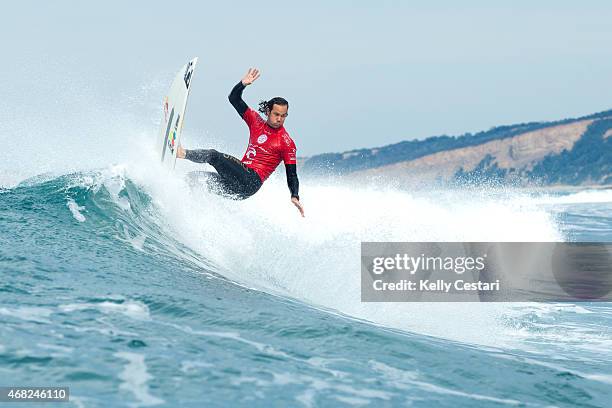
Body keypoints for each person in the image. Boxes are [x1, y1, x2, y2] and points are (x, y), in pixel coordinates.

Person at [177, 68, 304, 217]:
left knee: (213, 155)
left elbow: (292, 174)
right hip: (236, 183)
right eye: (276, 114)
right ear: (268, 112)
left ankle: (182, 153)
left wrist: (294, 195)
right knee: (194, 179)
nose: (279, 119)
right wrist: (242, 84)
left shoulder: (286, 142)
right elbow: (234, 99)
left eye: (283, 116)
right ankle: (191, 213)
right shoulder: (256, 122)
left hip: (251, 181)